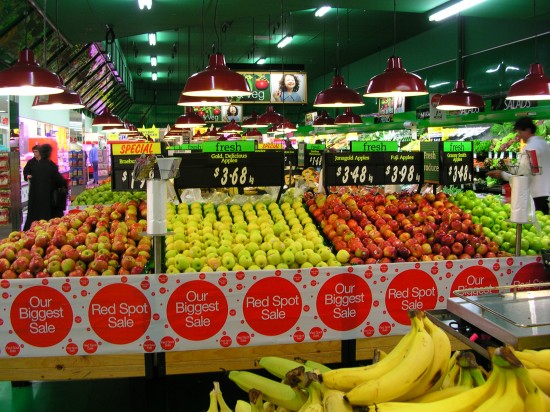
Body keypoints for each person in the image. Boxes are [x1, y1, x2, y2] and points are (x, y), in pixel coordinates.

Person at [487, 117, 550, 214]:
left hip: (537, 197)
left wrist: (502, 174)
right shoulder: (544, 144)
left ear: (528, 130)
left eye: (520, 133)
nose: (519, 137)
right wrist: (509, 164)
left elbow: (523, 176)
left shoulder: (530, 148)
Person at [23, 144, 68, 230]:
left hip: (36, 202)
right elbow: (60, 181)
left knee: (34, 226)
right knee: (49, 227)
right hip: (49, 202)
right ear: (49, 153)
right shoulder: (51, 166)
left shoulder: (35, 166)